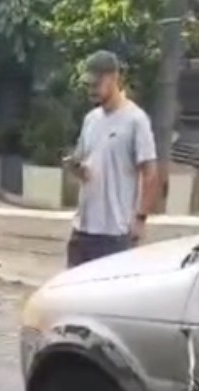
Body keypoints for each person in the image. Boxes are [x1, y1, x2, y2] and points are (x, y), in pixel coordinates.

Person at [65, 50, 158, 268]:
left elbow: (150, 173)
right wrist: (76, 167)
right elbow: (84, 163)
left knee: (106, 299)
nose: (91, 90)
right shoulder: (91, 120)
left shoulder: (135, 120)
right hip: (83, 228)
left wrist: (140, 219)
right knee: (72, 297)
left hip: (114, 233)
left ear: (114, 78)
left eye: (96, 84)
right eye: (88, 85)